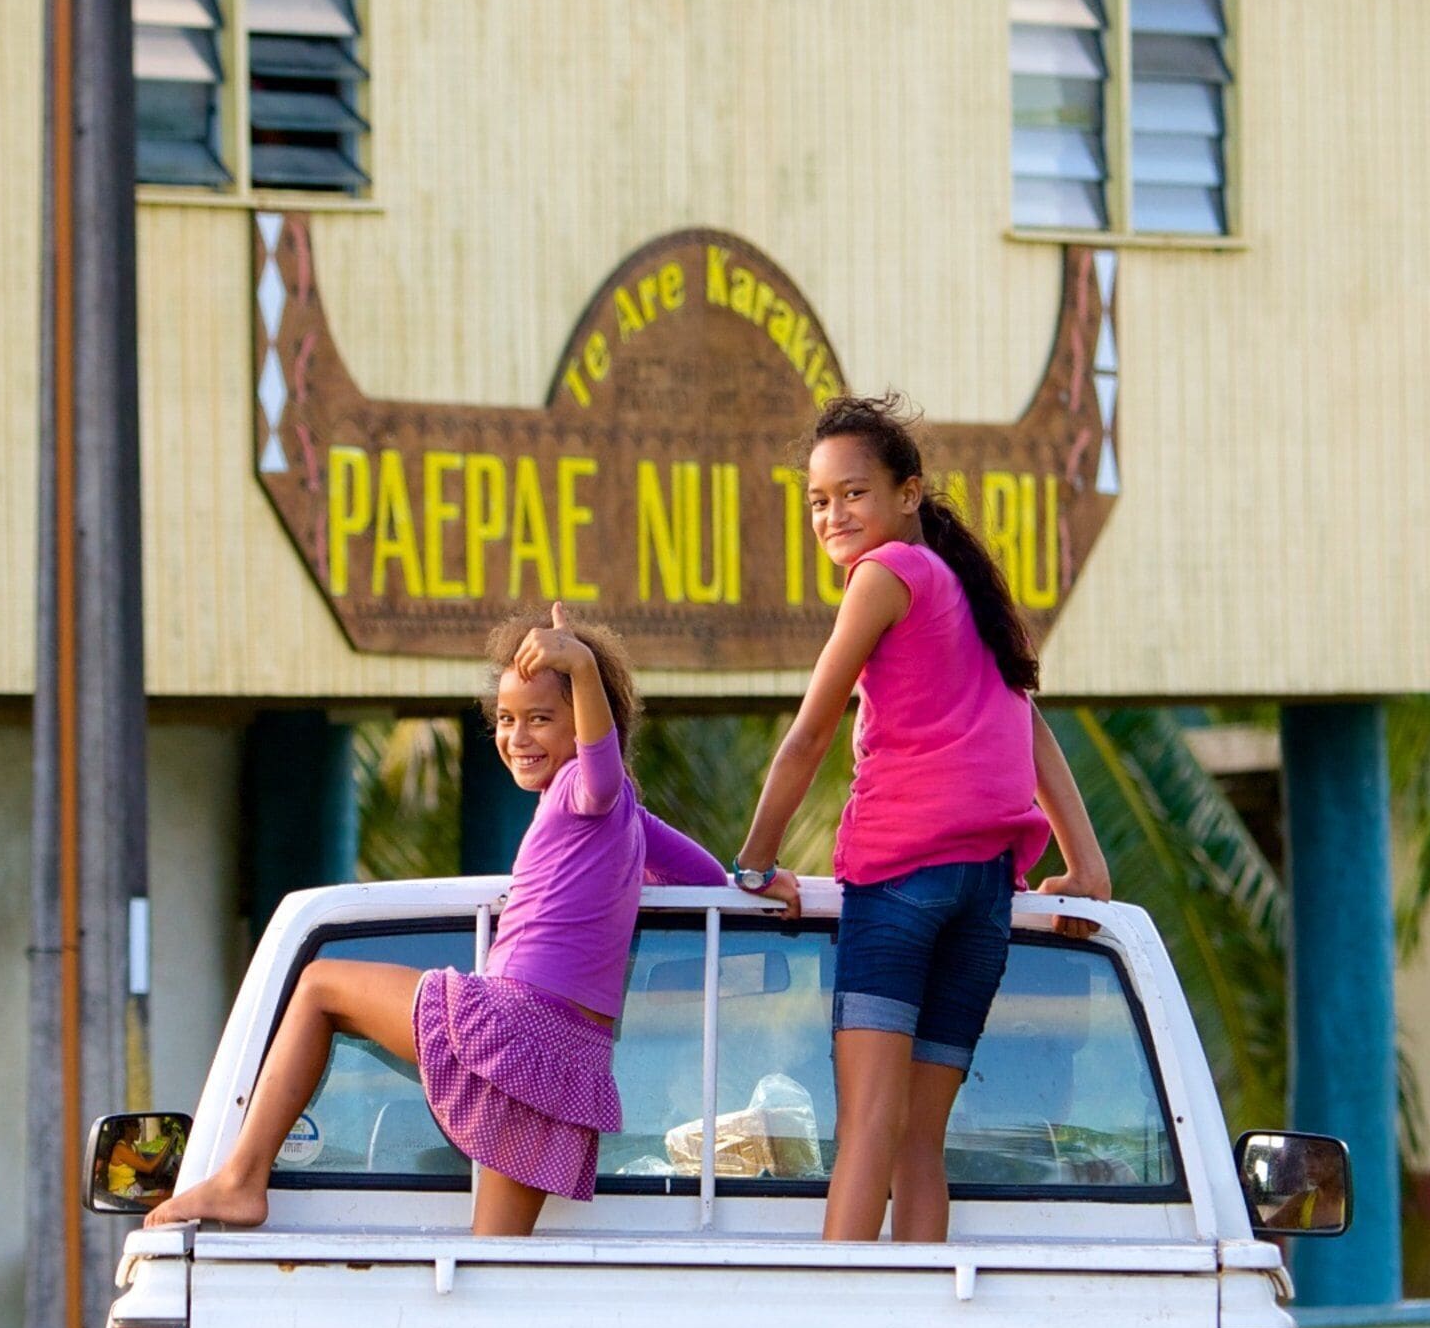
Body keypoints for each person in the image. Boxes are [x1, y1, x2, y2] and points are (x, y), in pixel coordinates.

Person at [150, 607, 727, 1235]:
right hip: (569, 1058)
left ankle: (240, 1181)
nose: (519, 737)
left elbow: (600, 766)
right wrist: (723, 879)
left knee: (319, 989)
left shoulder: (588, 794)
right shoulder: (626, 821)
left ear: (589, 724)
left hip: (517, 1023)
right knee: (494, 1256)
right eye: (506, 720)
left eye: (541, 719)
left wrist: (581, 666)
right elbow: (706, 880)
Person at [727, 394, 1110, 1243]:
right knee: (916, 1144)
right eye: (819, 500)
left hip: (899, 886)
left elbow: (811, 731)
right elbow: (1030, 727)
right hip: (981, 900)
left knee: (865, 1128)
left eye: (853, 493)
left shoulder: (885, 575)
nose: (834, 514)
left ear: (910, 492)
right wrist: (1088, 865)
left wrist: (753, 861)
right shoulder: (968, 590)